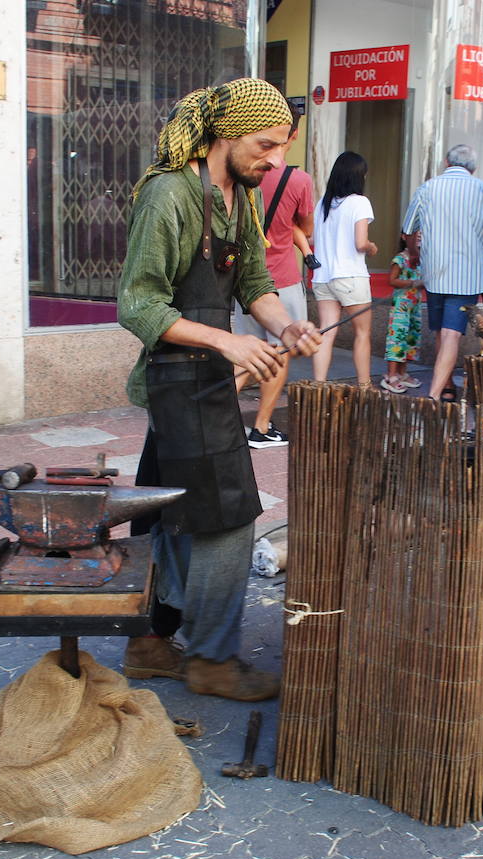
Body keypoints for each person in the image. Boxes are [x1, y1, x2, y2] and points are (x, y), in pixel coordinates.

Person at [117, 77, 321, 701]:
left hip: (206, 381)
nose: (274, 160)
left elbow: (255, 281)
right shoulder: (169, 195)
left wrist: (286, 323)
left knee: (164, 509)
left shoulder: (244, 197)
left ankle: (151, 640)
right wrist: (228, 343)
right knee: (230, 520)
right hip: (178, 379)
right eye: (264, 146)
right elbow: (137, 303)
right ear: (226, 135)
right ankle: (210, 658)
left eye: (282, 148)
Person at [232, 101, 316, 448]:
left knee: (248, 352)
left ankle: (216, 415)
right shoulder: (297, 180)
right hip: (280, 278)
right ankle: (262, 426)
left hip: (242, 280)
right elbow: (307, 227)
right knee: (277, 353)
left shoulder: (239, 176)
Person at [401, 144, 483, 401]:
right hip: (467, 277)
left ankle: (446, 385)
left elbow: (408, 230)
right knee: (451, 334)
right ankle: (435, 394)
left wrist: (414, 254)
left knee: (441, 331)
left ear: (446, 163)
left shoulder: (427, 188)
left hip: (434, 272)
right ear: (474, 168)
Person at [310, 151, 377, 386]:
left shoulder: (322, 204)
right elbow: (360, 243)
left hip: (322, 277)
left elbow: (312, 240)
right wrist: (371, 248)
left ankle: (318, 385)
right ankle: (365, 386)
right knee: (362, 334)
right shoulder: (359, 202)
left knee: (326, 334)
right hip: (350, 277)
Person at [381, 232, 423, 393]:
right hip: (401, 306)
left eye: (421, 234)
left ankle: (402, 373)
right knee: (397, 338)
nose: (419, 236)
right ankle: (391, 375)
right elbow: (392, 280)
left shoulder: (421, 259)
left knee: (410, 340)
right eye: (415, 234)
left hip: (415, 306)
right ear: (404, 237)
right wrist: (413, 282)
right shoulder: (400, 258)